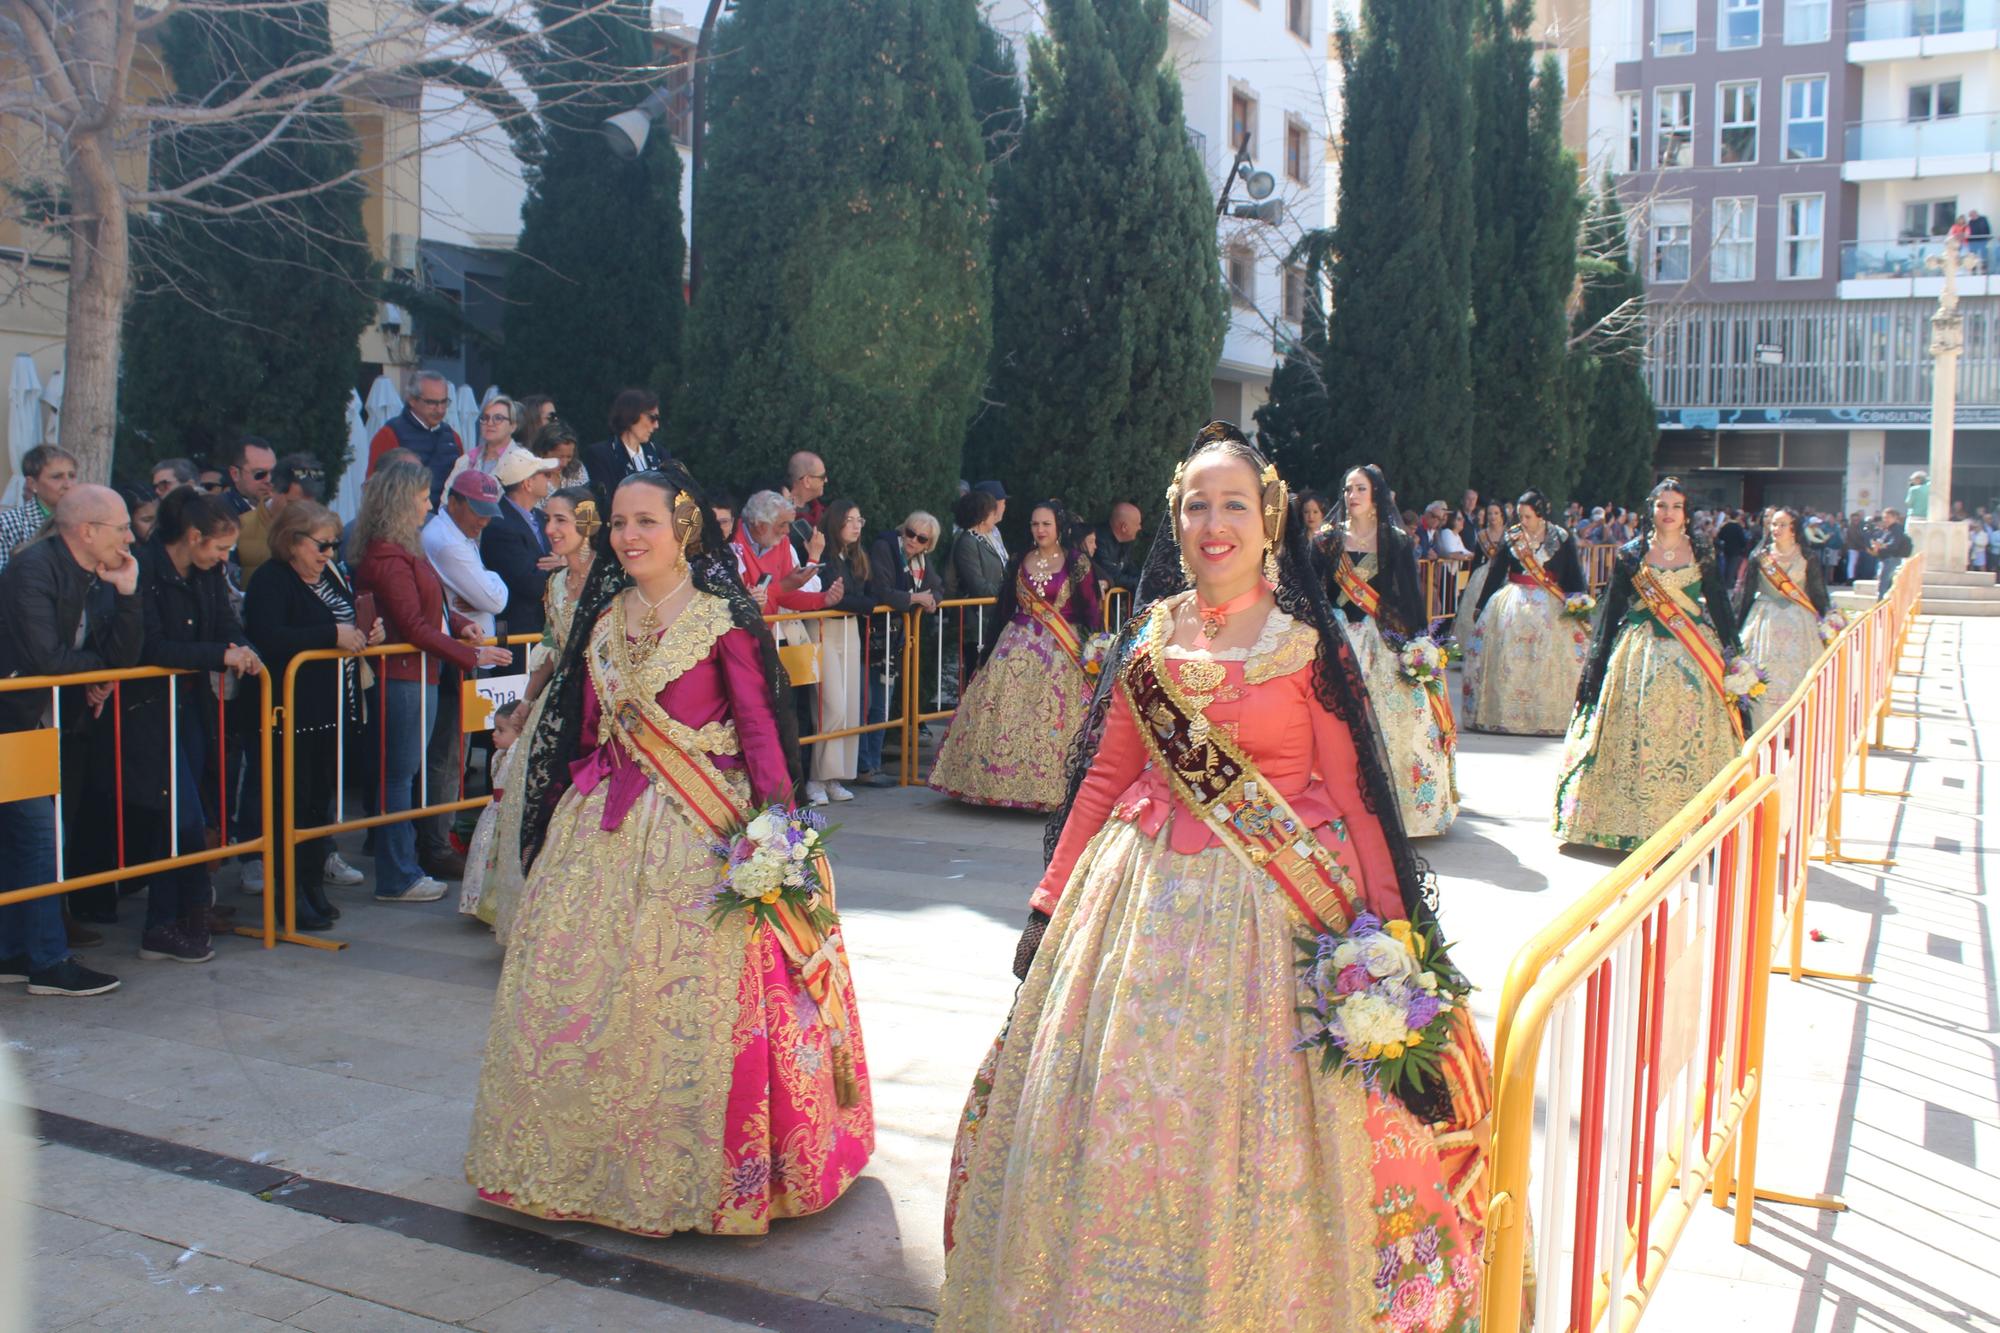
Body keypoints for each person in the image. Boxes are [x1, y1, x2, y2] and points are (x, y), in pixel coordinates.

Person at [938, 424, 1495, 1331]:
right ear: (1177, 519)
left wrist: (1399, 936)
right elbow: (1108, 778)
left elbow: (1356, 801)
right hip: (1131, 912)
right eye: (1197, 504)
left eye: (1234, 503)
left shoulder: (1307, 645)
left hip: (1275, 917)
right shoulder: (1151, 638)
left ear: (1268, 519)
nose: (1214, 522)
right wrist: (1048, 904)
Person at [465, 464, 875, 1236]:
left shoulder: (722, 619)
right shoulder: (603, 619)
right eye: (618, 523)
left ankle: (710, 1172)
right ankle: (580, 1157)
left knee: (694, 1004)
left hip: (704, 831)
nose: (629, 537)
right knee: (584, 996)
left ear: (683, 525)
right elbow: (586, 733)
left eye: (644, 521)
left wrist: (778, 836)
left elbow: (759, 732)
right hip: (604, 829)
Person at [107, 487, 260, 962]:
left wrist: (240, 647)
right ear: (194, 538)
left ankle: (189, 907)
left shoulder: (206, 575)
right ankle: (166, 920)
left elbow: (222, 623)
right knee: (179, 814)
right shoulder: (148, 569)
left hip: (190, 703)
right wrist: (220, 654)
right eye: (218, 549)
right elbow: (151, 648)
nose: (223, 559)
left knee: (188, 811)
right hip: (150, 707)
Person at [0, 485, 139, 997]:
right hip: (11, 722)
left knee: (24, 842)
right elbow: (47, 660)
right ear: (87, 531)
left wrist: (127, 593)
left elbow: (125, 654)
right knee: (37, 840)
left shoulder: (100, 574)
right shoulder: (33, 569)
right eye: (121, 527)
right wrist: (93, 673)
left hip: (41, 724)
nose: (130, 536)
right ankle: (48, 961)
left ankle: (14, 951)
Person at [1555, 479, 1745, 850]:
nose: (1669, 513)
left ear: (1686, 512)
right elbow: (1611, 612)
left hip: (1693, 655)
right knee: (1635, 734)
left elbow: (1720, 606)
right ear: (1651, 510)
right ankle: (1626, 822)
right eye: (1662, 505)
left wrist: (1735, 658)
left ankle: (1697, 823)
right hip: (1639, 655)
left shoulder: (1703, 551)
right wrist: (1595, 664)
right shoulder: (1631, 554)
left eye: (1676, 506)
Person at [354, 461, 513, 903]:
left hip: (417, 672)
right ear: (402, 501)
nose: (430, 504)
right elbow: (415, 623)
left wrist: (460, 624)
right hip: (403, 677)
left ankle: (404, 867)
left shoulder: (404, 549)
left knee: (404, 775)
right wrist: (471, 653)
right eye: (423, 497)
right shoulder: (388, 555)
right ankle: (398, 873)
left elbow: (432, 611)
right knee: (398, 778)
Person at [244, 499, 383, 929]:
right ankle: (290, 894)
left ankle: (311, 885)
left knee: (317, 803)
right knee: (291, 805)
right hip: (288, 709)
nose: (329, 554)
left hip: (330, 706)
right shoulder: (271, 579)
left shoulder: (331, 577)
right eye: (321, 545)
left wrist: (367, 633)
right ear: (292, 541)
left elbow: (345, 624)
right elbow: (268, 636)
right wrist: (331, 634)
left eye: (334, 545)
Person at [468, 485, 597, 939]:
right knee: (533, 805)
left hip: (597, 710)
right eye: (547, 519)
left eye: (561, 520)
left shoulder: (612, 580)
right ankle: (536, 928)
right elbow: (549, 650)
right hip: (554, 706)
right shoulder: (557, 583)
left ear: (586, 523)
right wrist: (525, 703)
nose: (550, 529)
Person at [930, 501, 1100, 812]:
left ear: (1059, 527)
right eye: (1035, 524)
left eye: (1046, 524)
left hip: (1061, 651)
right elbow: (1005, 605)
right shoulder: (1021, 559)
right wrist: (989, 647)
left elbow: (1091, 609)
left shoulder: (1076, 562)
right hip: (1015, 646)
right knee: (1002, 708)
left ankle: (1054, 787)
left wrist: (1096, 650)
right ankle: (991, 784)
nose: (1040, 530)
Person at [1318, 465, 1458, 837]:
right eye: (1347, 489)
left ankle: (1401, 812)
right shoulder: (1328, 540)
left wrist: (1417, 644)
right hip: (1337, 641)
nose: (1352, 496)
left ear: (1376, 495)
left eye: (1360, 489)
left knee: (1401, 720)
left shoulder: (1395, 541)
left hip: (1381, 641)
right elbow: (1314, 592)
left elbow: (1409, 597)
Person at [420, 468, 510, 874]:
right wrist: (492, 583)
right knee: (447, 754)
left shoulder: (460, 537)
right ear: (453, 502)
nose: (484, 520)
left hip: (468, 657)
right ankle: (436, 844)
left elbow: (485, 596)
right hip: (458, 661)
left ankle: (440, 838)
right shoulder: (447, 542)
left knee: (453, 752)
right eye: (477, 511)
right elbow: (494, 598)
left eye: (489, 512)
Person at [1462, 490, 1591, 736]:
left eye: (1528, 516)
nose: (1523, 521)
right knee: (1508, 658)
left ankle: (1546, 714)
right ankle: (1503, 713)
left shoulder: (1561, 537)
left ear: (1541, 515)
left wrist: (1579, 604)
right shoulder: (1513, 537)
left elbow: (1573, 573)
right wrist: (1481, 605)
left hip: (1550, 606)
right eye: (1520, 516)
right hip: (1513, 603)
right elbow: (1496, 571)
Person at [862, 512, 944, 783]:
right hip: (874, 637)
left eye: (921, 538)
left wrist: (931, 601)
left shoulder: (921, 561)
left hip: (895, 640)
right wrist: (915, 598)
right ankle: (866, 765)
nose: (912, 541)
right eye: (910, 533)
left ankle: (872, 763)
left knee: (883, 704)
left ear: (927, 544)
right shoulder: (885, 546)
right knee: (871, 702)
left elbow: (938, 588)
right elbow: (881, 590)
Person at [1734, 507, 1830, 729]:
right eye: (1774, 524)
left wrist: (1827, 623)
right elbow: (1746, 594)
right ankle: (1760, 725)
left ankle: (1799, 725)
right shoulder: (1760, 557)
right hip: (1764, 620)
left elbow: (1818, 592)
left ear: (1794, 529)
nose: (1776, 528)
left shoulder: (1808, 557)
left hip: (1800, 622)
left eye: (1782, 524)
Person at [808, 499, 876, 806]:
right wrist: (867, 605)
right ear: (836, 522)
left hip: (850, 631)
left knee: (849, 706)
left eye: (859, 520)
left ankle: (835, 776)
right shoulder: (823, 556)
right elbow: (833, 598)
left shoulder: (854, 558)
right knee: (830, 705)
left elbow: (857, 596)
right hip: (825, 629)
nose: (856, 525)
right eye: (850, 520)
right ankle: (816, 777)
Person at [479, 448, 562, 672]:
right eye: (544, 474)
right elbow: (530, 583)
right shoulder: (499, 526)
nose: (549, 479)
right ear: (527, 483)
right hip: (519, 637)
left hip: (541, 633)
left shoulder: (541, 517)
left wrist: (562, 562)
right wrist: (561, 570)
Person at [456, 698, 525, 924]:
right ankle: (479, 902)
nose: (494, 735)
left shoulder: (518, 755)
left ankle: (499, 906)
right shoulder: (500, 755)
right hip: (492, 814)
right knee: (483, 858)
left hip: (506, 813)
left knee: (499, 861)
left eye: (500, 730)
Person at [366, 370, 464, 501]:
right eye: (431, 403)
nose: (440, 409)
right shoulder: (389, 435)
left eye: (444, 402)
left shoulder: (453, 437)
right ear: (412, 400)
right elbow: (375, 490)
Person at [233, 452, 325, 579]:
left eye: (310, 505)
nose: (303, 512)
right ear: (272, 489)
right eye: (293, 503)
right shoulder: (240, 528)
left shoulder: (325, 531)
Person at [579, 388, 666, 511]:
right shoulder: (600, 455)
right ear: (632, 414)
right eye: (652, 418)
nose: (656, 425)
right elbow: (605, 503)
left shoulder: (659, 453)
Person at [0, 444, 77, 569]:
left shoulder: (85, 523)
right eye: (57, 477)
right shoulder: (8, 524)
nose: (68, 485)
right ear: (32, 483)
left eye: (72, 476)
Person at [1451, 500, 1509, 655]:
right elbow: (1477, 561)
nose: (1492, 516)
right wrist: (1469, 583)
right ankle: (1472, 648)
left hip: (1506, 576)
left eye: (1496, 513)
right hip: (1483, 574)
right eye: (1489, 513)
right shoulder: (1482, 535)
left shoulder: (1509, 534)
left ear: (1502, 515)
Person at [445, 397, 520, 490]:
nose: (490, 423)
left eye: (498, 418)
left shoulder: (523, 463)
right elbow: (445, 501)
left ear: (513, 426)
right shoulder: (465, 461)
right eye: (485, 418)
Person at [945, 489, 1005, 602]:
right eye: (993, 513)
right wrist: (1007, 593)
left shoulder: (980, 539)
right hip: (975, 613)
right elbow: (977, 585)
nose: (995, 516)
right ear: (982, 518)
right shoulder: (967, 543)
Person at [1088, 500, 1145, 592]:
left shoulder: (1125, 542)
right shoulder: (1098, 540)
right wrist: (1142, 584)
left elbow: (1130, 569)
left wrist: (1148, 580)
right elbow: (1111, 576)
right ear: (1124, 527)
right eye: (1137, 524)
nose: (1140, 528)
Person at [529, 418, 587, 498]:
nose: (565, 464)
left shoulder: (577, 469)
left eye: (569, 457)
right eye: (560, 457)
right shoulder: (531, 478)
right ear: (543, 452)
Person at [222, 436, 277, 518]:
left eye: (274, 472)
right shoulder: (221, 513)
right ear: (235, 474)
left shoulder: (285, 507)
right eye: (260, 473)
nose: (269, 480)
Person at [781, 451, 829, 541]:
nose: (826, 480)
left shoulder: (820, 513)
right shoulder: (775, 512)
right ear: (807, 481)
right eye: (822, 477)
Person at [1871, 507, 1914, 599]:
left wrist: (1881, 546)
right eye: (1884, 517)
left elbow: (1894, 544)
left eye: (1888, 517)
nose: (1885, 520)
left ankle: (1881, 604)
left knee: (1885, 584)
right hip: (1886, 559)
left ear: (1894, 518)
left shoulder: (1896, 529)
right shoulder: (1888, 529)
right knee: (1885, 582)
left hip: (1891, 559)